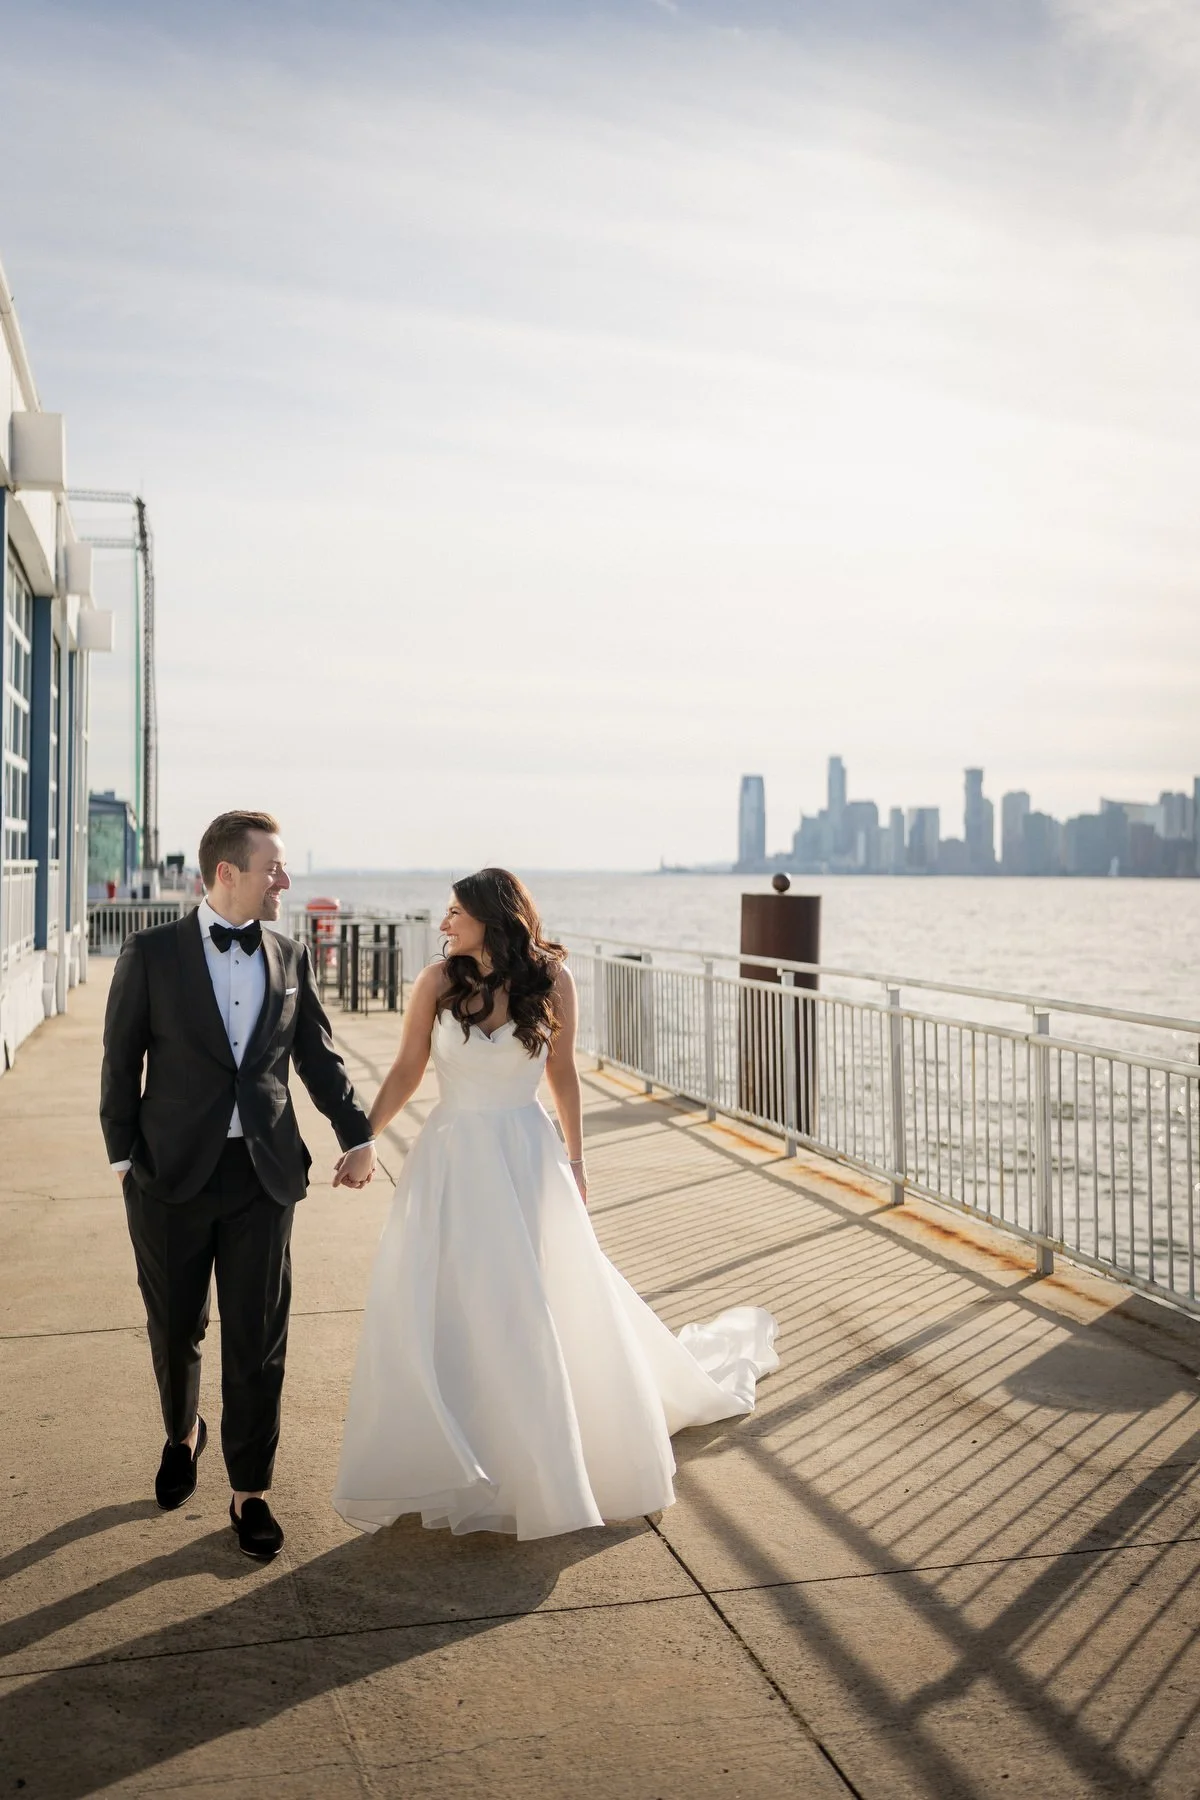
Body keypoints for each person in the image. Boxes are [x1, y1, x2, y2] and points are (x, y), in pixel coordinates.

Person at [333, 867, 777, 1540]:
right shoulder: (435, 983)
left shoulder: (552, 980)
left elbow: (563, 1075)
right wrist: (363, 1138)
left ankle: (536, 1453)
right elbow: (406, 1070)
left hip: (524, 1153)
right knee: (452, 1294)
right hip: (452, 1155)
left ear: (492, 917)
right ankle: (456, 1445)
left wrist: (576, 1159)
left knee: (530, 1299)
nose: (444, 923)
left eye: (456, 912)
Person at [100, 810, 377, 1559]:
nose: (284, 879)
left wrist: (356, 1134)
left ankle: (249, 1490)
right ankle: (181, 1432)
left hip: (264, 1176)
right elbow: (120, 1062)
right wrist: (124, 1161)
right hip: (169, 1178)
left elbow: (316, 1057)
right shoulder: (151, 953)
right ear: (228, 873)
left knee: (257, 1342)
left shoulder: (289, 956)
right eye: (273, 868)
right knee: (177, 1327)